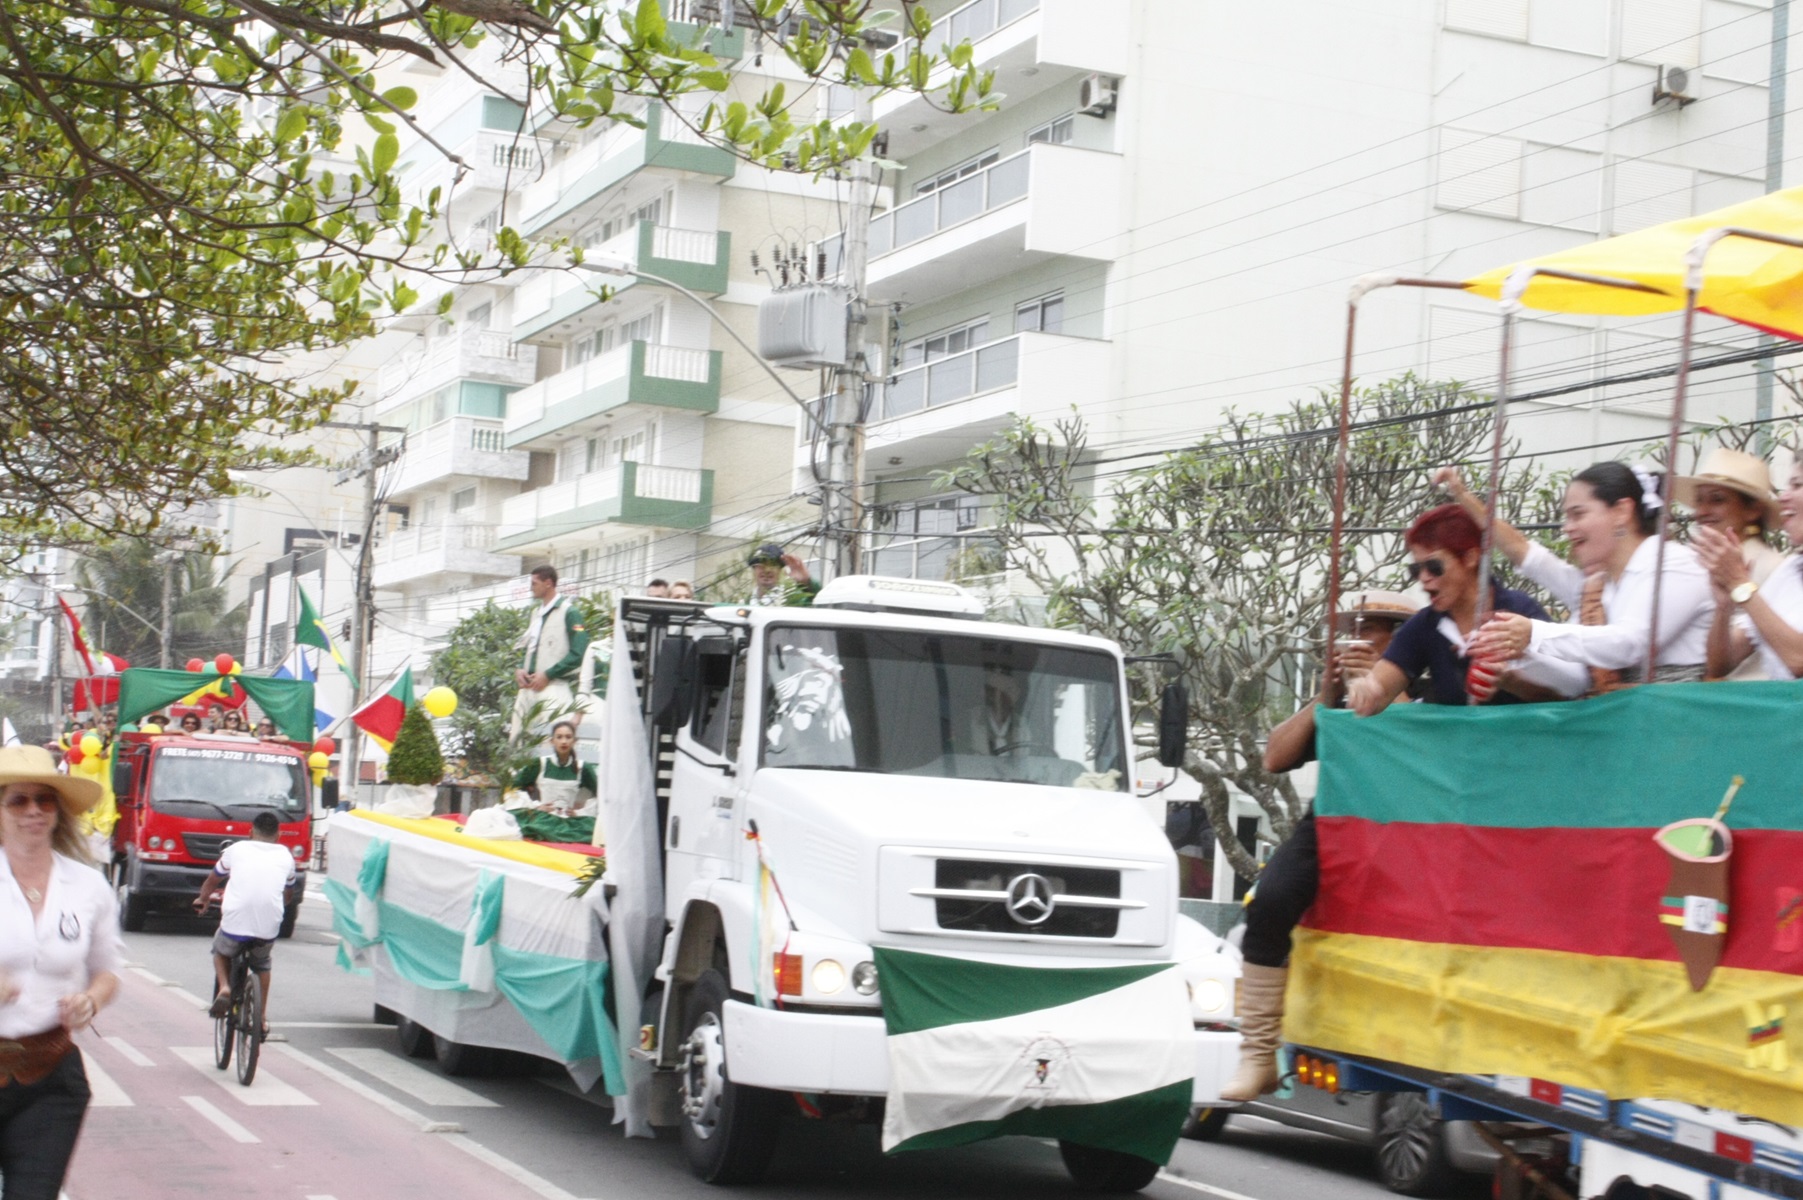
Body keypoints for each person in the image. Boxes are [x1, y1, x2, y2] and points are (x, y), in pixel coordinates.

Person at [1221, 590, 1419, 1103]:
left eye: (1368, 630)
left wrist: (1382, 683)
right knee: (1269, 902)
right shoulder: (1339, 692)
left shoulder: (1431, 687)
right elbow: (1274, 758)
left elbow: (1419, 745)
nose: (1354, 640)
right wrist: (1326, 696)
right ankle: (1258, 1054)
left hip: (1407, 828)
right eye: (1349, 630)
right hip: (1334, 817)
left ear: (1399, 639)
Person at [1441, 463, 1715, 684]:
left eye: (1578, 514)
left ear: (1622, 511)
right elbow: (1521, 551)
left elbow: (1631, 644)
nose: (1567, 528)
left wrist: (1533, 634)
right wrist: (1512, 650)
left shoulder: (1673, 563)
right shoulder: (1597, 587)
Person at [0, 744, 122, 1200]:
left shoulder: (88, 885)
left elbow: (108, 971)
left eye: (44, 800)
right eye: (19, 800)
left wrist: (90, 1000)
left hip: (49, 1074)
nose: (34, 811)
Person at [1349, 504, 1581, 716]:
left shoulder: (1519, 611)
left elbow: (1566, 698)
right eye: (1415, 570)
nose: (1423, 579)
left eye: (1433, 566)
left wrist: (1512, 682)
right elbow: (1376, 691)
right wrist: (1364, 691)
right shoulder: (1426, 625)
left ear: (1470, 557)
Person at [1674, 447, 1785, 679]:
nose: (1702, 511)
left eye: (1717, 500)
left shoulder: (1775, 568)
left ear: (1753, 510)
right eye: (1699, 501)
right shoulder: (1688, 561)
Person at [1696, 458, 1803, 680]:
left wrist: (1740, 584)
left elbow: (1799, 661)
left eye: (1797, 485)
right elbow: (1720, 666)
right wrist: (1724, 607)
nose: (1783, 496)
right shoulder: (1789, 570)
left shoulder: (1768, 565)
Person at [194, 811, 294, 1028]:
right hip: (267, 926)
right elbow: (288, 893)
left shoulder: (235, 850)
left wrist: (203, 899)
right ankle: (261, 1017)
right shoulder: (286, 856)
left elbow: (213, 879)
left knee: (220, 950)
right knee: (262, 964)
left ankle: (225, 988)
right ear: (279, 835)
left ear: (250, 833)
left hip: (234, 923)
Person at [512, 565, 590, 741]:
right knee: (518, 743)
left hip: (554, 688)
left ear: (548, 583)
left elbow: (579, 653)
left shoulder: (570, 612)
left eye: (534, 583)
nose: (531, 587)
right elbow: (526, 646)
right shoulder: (535, 613)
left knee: (551, 744)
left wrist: (548, 674)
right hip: (527, 690)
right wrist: (519, 669)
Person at [509, 721, 599, 816]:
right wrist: (535, 807)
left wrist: (580, 813)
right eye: (559, 737)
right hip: (543, 819)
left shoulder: (582, 768)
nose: (564, 741)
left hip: (569, 822)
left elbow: (602, 796)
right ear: (552, 741)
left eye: (568, 737)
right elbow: (513, 790)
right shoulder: (540, 764)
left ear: (574, 741)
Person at [749, 543, 819, 607]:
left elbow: (818, 605)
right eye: (761, 565)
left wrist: (807, 583)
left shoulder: (791, 598)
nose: (767, 570)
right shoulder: (746, 601)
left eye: (772, 565)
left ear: (780, 570)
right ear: (754, 570)